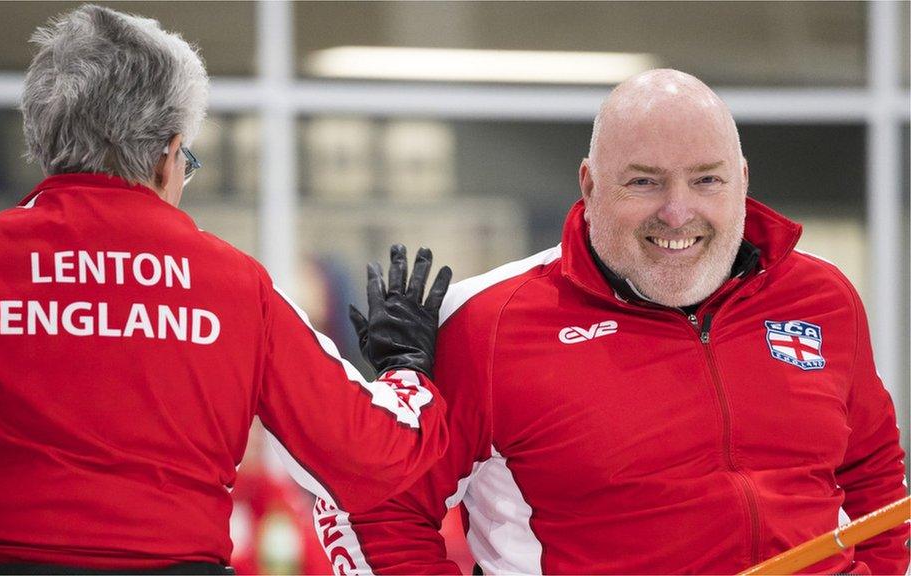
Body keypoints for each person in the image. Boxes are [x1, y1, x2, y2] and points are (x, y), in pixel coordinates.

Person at [0, 5, 452, 574]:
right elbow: (368, 458)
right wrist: (406, 369)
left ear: (45, 141)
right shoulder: (236, 285)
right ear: (167, 156)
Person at [317, 69, 909, 574]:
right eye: (643, 181)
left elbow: (873, 473)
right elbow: (373, 501)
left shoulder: (818, 296)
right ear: (590, 184)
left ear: (743, 180)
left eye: (707, 179)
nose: (677, 212)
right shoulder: (488, 324)